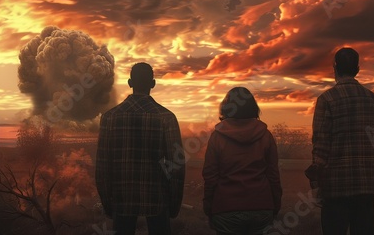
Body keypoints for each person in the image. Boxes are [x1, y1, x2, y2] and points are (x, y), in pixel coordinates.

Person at [306, 47, 374, 235]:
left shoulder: (326, 99)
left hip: (335, 187)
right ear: (357, 69)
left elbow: (320, 144)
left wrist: (316, 182)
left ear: (334, 67)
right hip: (365, 188)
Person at [95, 62, 185, 235]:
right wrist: (173, 205)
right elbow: (177, 166)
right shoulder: (166, 118)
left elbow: (103, 166)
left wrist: (107, 203)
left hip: (122, 200)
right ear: (153, 84)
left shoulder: (109, 118)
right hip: (157, 200)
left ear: (130, 83)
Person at [203, 87, 282, 235]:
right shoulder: (266, 136)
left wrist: (208, 206)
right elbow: (273, 175)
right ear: (253, 108)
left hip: (226, 208)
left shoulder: (217, 137)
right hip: (261, 207)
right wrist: (275, 204)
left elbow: (210, 176)